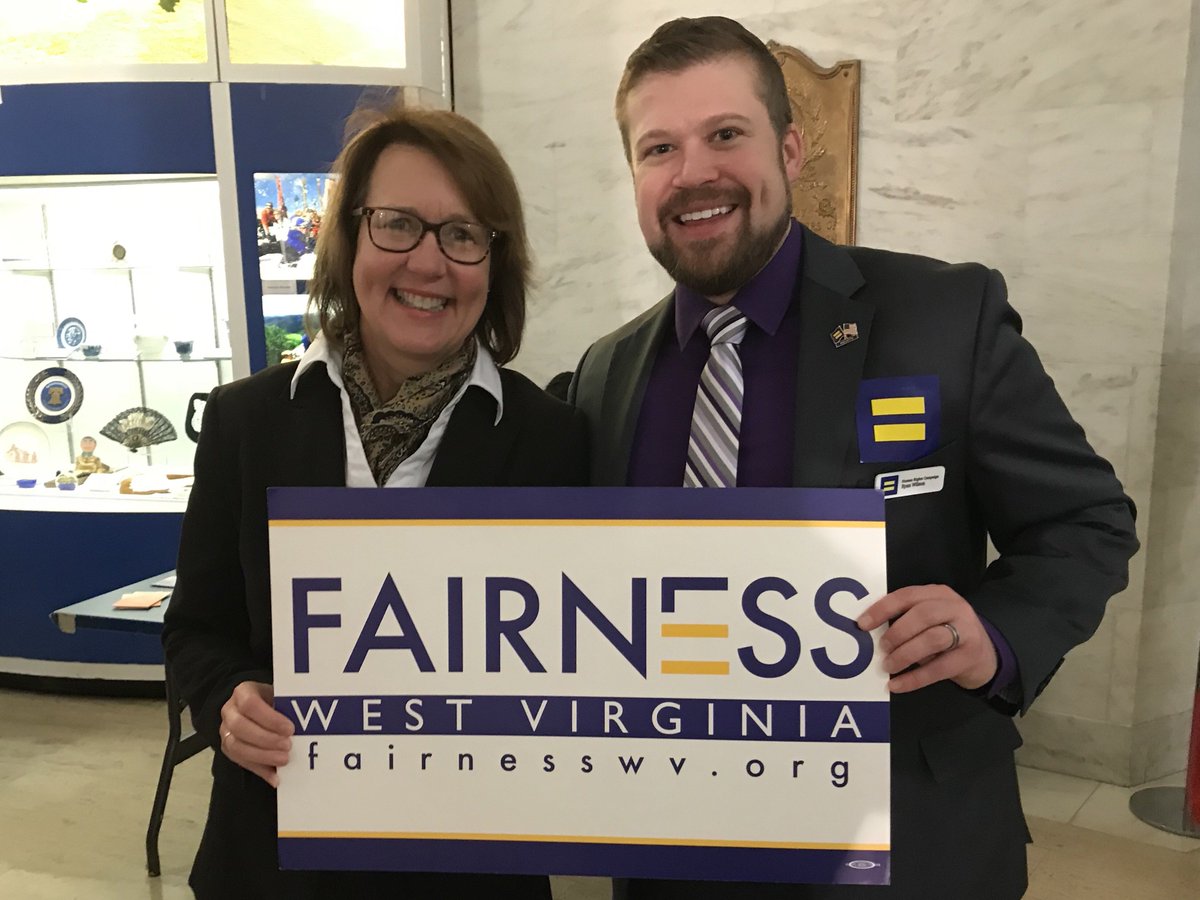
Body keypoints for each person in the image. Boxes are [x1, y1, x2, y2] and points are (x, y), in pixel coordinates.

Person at [569, 16, 1138, 900]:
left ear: (791, 149)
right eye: (658, 148)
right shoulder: (606, 373)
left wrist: (995, 637)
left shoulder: (947, 315)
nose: (694, 173)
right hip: (675, 850)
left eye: (726, 134)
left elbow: (1085, 522)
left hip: (902, 845)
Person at [163, 103, 587, 899]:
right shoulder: (244, 422)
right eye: (397, 224)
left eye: (463, 234)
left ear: (495, 261)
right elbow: (195, 628)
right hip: (272, 859)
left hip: (472, 868)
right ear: (349, 238)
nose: (429, 263)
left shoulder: (554, 441)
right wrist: (229, 700)